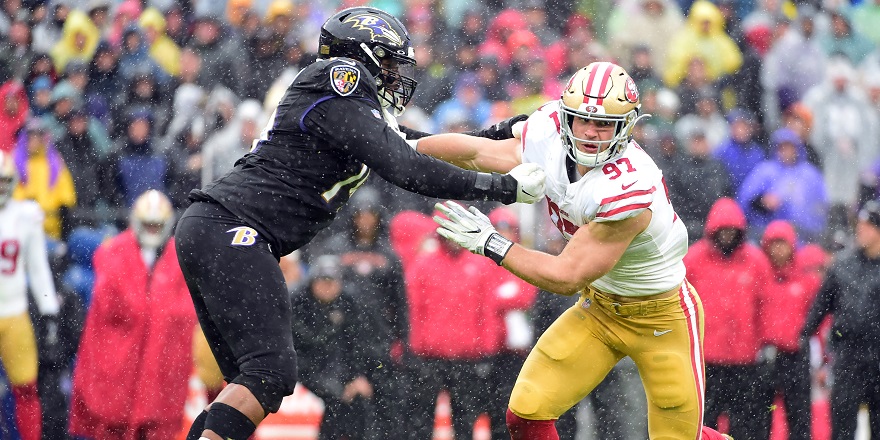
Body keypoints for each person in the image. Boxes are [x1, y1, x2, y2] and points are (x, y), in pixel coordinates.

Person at [174, 7, 546, 440]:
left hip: (219, 228)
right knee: (269, 373)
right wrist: (502, 189)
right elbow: (407, 167)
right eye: (388, 63)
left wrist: (495, 134)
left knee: (247, 380)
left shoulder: (348, 112)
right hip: (232, 228)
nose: (395, 76)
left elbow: (418, 146)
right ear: (360, 57)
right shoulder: (337, 80)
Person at [416, 61, 730, 439]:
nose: (591, 133)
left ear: (626, 127)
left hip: (662, 318)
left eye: (604, 124)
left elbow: (566, 276)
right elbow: (480, 153)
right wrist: (406, 145)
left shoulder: (630, 185)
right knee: (526, 413)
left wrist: (491, 242)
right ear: (566, 117)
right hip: (599, 308)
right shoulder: (549, 133)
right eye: (583, 120)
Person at [68, 190, 196, 440]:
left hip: (160, 364)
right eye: (148, 224)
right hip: (119, 362)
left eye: (157, 225)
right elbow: (113, 306)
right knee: (111, 422)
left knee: (156, 423)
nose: (152, 231)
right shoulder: (113, 253)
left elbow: (180, 313)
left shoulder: (179, 259)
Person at [800, 199, 880, 439]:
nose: (860, 230)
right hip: (849, 357)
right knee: (843, 426)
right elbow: (821, 306)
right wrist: (804, 336)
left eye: (867, 226)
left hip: (878, 358)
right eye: (860, 225)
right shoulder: (843, 265)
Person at [0, 151, 59, 440]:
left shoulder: (25, 215)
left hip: (14, 313)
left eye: (3, 181)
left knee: (26, 389)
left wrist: (49, 309)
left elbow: (38, 268)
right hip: (13, 312)